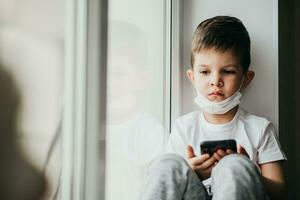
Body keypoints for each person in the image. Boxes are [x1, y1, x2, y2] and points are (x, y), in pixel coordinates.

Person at [140, 16, 286, 200]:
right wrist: (192, 172)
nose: (215, 81)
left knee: (234, 165)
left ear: (246, 78)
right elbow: (175, 181)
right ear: (192, 76)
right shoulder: (184, 127)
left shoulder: (260, 129)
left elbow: (280, 192)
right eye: (205, 72)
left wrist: (249, 170)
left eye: (228, 71)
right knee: (167, 164)